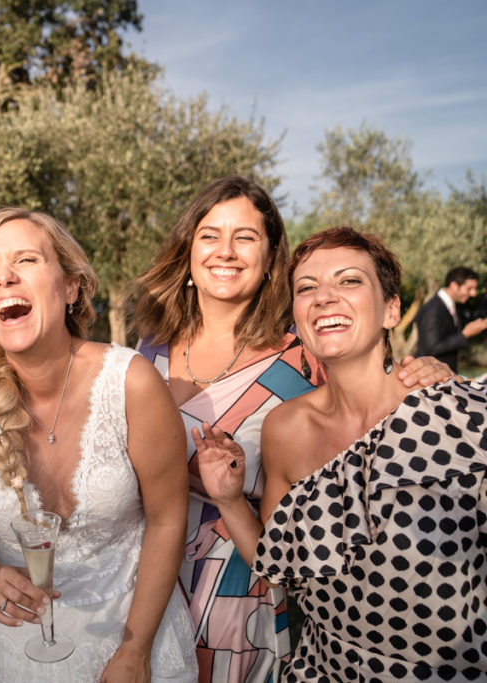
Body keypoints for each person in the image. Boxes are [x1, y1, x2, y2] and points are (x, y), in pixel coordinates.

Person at [129, 175, 459, 683]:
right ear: (188, 253)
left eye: (246, 237)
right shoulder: (144, 351)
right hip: (135, 574)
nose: (226, 250)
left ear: (269, 261)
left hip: (237, 589)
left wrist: (432, 376)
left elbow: (376, 407)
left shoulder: (305, 359)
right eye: (210, 234)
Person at [195, 227, 487, 680]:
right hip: (327, 669)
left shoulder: (455, 413)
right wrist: (230, 498)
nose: (324, 297)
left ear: (392, 309)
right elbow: (278, 568)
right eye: (307, 288)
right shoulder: (286, 428)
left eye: (349, 281)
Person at [0, 207, 198, 682]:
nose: (5, 276)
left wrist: (135, 651)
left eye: (26, 260)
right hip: (16, 648)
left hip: (134, 631)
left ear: (71, 287)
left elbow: (168, 517)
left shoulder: (132, 383)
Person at [414, 265, 487, 372]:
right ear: (454, 285)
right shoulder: (432, 309)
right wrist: (465, 334)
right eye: (469, 288)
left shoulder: (448, 306)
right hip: (431, 377)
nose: (473, 293)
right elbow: (432, 348)